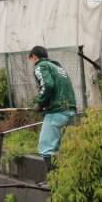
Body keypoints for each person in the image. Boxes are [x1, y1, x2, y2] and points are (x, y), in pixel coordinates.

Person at [29, 46, 76, 178]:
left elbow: (48, 85)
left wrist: (40, 103)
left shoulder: (40, 66)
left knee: (46, 147)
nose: (32, 62)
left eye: (31, 59)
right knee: (61, 148)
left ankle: (53, 180)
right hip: (69, 110)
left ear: (34, 56)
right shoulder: (58, 68)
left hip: (57, 112)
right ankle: (64, 179)